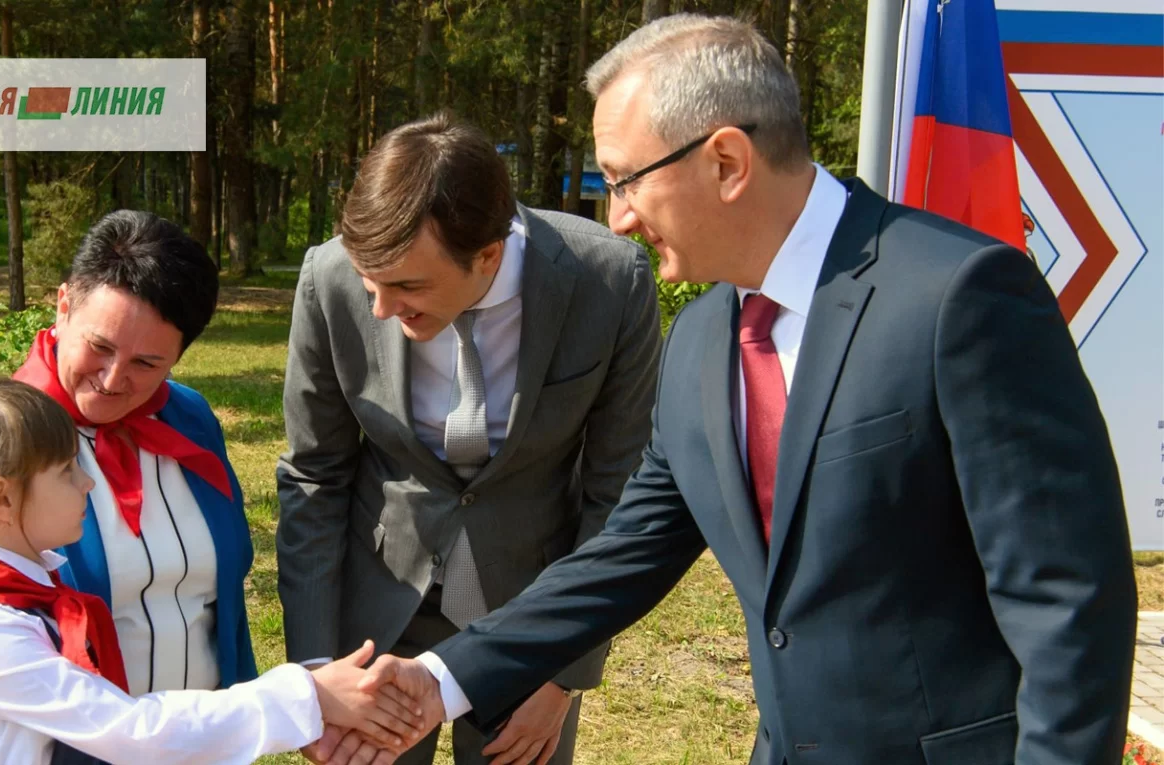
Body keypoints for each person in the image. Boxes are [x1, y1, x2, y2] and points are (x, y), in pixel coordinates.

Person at [351, 14, 1137, 765]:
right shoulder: (698, 341)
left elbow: (1068, 603)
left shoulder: (958, 298)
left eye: (625, 181)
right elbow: (625, 556)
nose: (617, 218)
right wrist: (441, 677)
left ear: (726, 161)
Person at [276, 112, 661, 765]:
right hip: (377, 613)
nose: (380, 310)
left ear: (487, 255)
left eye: (407, 287)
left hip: (533, 619)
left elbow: (617, 491)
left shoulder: (610, 281)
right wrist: (315, 674)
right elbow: (315, 476)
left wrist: (562, 672)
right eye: (371, 283)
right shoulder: (330, 278)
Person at [0, 211, 268, 763]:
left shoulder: (191, 420)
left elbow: (224, 590)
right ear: (63, 304)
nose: (113, 379)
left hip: (206, 741)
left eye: (147, 362)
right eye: (100, 346)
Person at [0, 375, 423, 765]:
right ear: (1, 499)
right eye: (67, 471)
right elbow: (134, 732)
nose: (87, 482)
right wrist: (306, 695)